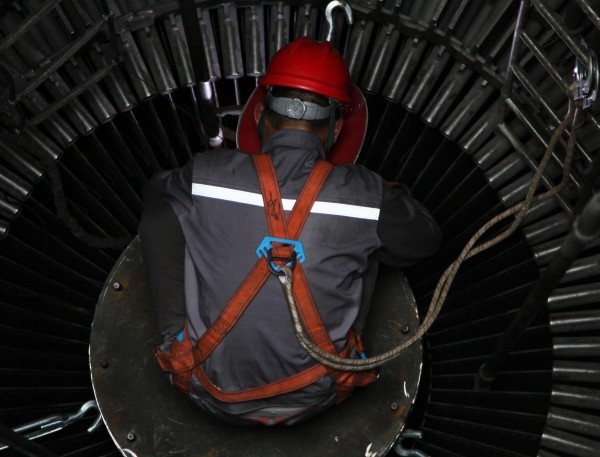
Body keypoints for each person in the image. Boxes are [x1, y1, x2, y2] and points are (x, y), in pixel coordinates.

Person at [139, 36, 442, 426]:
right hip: (319, 394)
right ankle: (340, 357)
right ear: (337, 127)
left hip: (202, 385)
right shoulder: (365, 195)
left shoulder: (205, 174)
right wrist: (381, 194)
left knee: (164, 214)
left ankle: (177, 346)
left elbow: (154, 195)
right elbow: (425, 240)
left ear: (259, 114)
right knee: (375, 239)